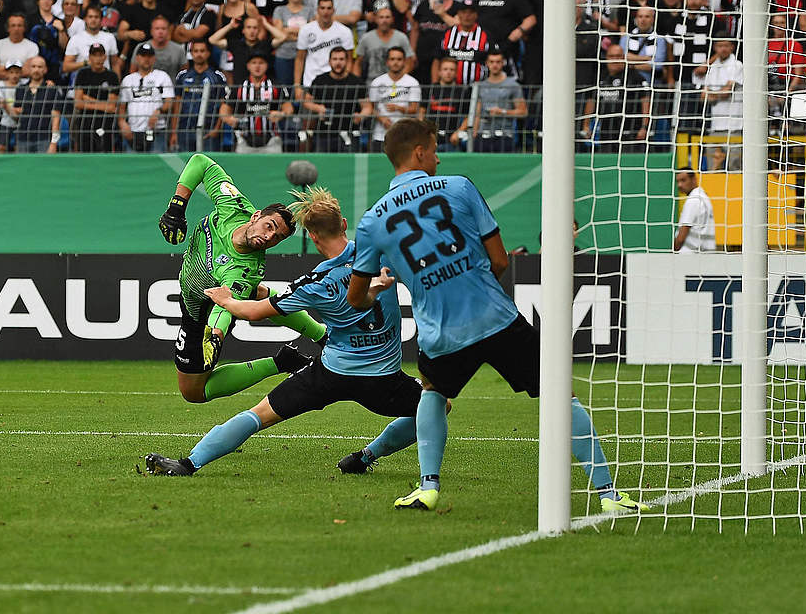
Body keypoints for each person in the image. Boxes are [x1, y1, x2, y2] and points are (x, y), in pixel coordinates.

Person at [347, 118, 648, 512]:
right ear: (419, 152)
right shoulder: (459, 186)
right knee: (559, 394)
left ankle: (428, 485)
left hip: (440, 333)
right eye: (434, 149)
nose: (438, 157)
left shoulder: (371, 221)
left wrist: (388, 288)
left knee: (433, 393)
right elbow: (500, 260)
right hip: (496, 317)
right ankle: (608, 494)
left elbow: (356, 298)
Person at [146, 187, 423, 478]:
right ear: (343, 225)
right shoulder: (380, 254)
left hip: (330, 374)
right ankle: (365, 458)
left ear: (312, 237)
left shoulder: (314, 282)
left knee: (257, 416)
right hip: (382, 378)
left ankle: (187, 464)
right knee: (435, 408)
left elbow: (254, 311)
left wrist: (227, 301)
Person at [155, 153, 328, 404]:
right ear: (255, 216)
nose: (270, 237)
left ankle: (281, 362)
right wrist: (176, 207)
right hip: (197, 292)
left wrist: (215, 335)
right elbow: (200, 162)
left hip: (201, 313)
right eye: (269, 226)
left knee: (193, 392)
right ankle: (322, 335)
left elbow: (225, 305)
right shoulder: (233, 205)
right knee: (258, 294)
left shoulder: (246, 270)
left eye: (277, 237)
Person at [220, 53, 293, 153]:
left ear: (267, 65)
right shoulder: (239, 86)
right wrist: (228, 119)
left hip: (271, 140)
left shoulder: (276, 86)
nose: (257, 66)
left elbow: (289, 108)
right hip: (244, 139)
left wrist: (282, 114)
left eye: (261, 63)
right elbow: (224, 108)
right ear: (248, 66)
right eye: (254, 63)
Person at [302, 47, 368, 152]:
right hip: (324, 133)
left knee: (349, 165)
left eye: (341, 59)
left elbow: (367, 107)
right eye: (335, 59)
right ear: (329, 61)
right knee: (322, 165)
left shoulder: (356, 82)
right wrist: (318, 108)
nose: (338, 63)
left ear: (347, 61)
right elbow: (306, 101)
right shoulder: (320, 80)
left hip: (349, 132)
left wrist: (361, 116)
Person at [462, 47, 526, 152]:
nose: (495, 65)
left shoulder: (513, 85)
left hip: (505, 134)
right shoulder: (480, 86)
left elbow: (523, 111)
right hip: (482, 135)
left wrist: (503, 112)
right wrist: (474, 134)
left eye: (498, 62)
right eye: (492, 62)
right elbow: (476, 113)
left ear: (503, 63)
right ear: (487, 63)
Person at [361, 47, 421, 153]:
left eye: (399, 59)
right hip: (380, 135)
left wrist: (399, 108)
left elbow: (414, 109)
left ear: (404, 61)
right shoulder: (377, 82)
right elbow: (371, 108)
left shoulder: (412, 83)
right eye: (392, 59)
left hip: (405, 136)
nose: (395, 63)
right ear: (387, 62)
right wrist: (382, 119)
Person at [119, 43, 175, 152]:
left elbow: (169, 102)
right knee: (131, 166)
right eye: (143, 56)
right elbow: (121, 107)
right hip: (133, 131)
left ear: (154, 58)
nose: (146, 59)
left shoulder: (162, 77)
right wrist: (122, 123)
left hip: (156, 130)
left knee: (158, 165)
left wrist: (159, 110)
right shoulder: (128, 80)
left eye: (149, 56)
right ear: (137, 58)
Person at [71, 43, 120, 152]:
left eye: (100, 55)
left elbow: (111, 107)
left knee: (105, 153)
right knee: (84, 155)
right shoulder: (82, 74)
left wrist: (87, 99)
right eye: (94, 55)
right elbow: (78, 103)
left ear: (105, 57)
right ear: (89, 57)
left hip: (105, 123)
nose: (98, 59)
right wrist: (103, 105)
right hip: (85, 122)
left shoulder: (112, 76)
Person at [674, 170, 715, 252]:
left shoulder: (693, 200)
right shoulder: (704, 197)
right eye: (677, 181)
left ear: (693, 179)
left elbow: (682, 235)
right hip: (706, 253)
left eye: (683, 180)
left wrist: (673, 253)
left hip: (690, 254)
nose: (679, 185)